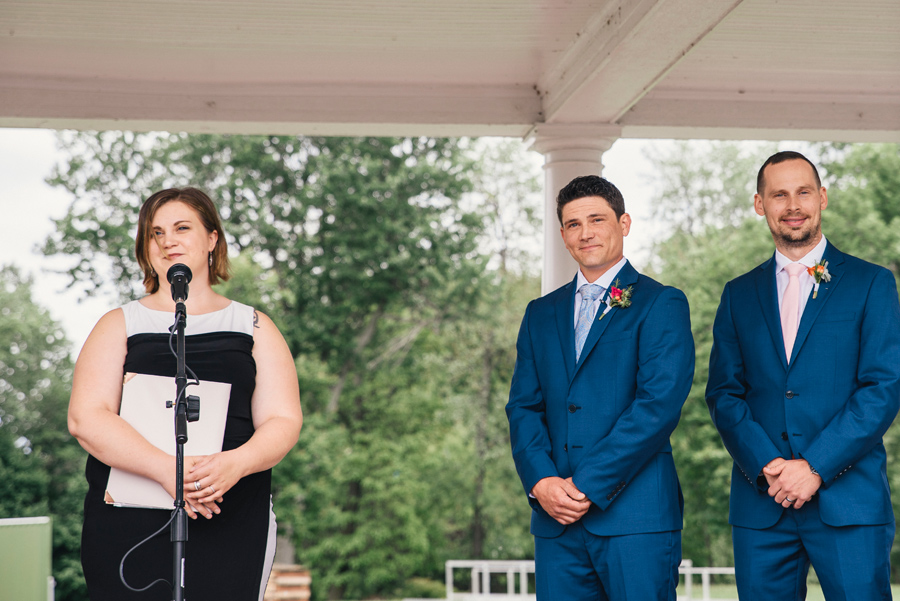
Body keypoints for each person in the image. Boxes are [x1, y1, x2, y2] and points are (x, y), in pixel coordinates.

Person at [68, 187, 303, 601]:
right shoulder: (119, 323)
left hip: (231, 515)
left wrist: (234, 463)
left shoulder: (254, 326)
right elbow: (86, 417)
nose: (167, 241)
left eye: (181, 228)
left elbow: (283, 421)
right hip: (129, 519)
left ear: (212, 238)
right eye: (155, 233)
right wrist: (166, 471)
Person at [706, 151, 900, 599]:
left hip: (848, 502)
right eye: (779, 194)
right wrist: (769, 466)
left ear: (822, 198)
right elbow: (724, 393)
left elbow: (882, 388)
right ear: (760, 204)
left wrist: (814, 467)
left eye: (803, 192)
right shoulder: (738, 295)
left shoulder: (871, 284)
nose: (793, 205)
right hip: (763, 504)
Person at [506, 175, 694, 600]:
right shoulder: (540, 313)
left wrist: (584, 485)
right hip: (556, 522)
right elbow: (523, 408)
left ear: (624, 223)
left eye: (596, 219)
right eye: (573, 224)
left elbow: (657, 407)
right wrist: (542, 483)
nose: (585, 233)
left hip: (636, 520)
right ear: (562, 235)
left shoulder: (661, 303)